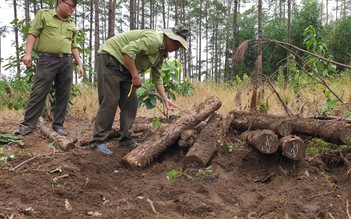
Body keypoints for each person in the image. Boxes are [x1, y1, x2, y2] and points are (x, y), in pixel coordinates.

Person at [91, 25, 190, 155]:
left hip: (126, 67)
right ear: (171, 39)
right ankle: (98, 142)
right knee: (110, 100)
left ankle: (126, 138)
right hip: (111, 59)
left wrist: (165, 99)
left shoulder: (162, 53)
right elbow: (127, 52)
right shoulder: (154, 40)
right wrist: (135, 76)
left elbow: (157, 78)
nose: (177, 50)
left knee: (130, 102)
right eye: (177, 46)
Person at [15, 0, 84, 136]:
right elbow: (33, 33)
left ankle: (58, 125)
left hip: (66, 61)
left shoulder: (71, 23)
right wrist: (28, 53)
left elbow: (73, 45)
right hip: (47, 59)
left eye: (74, 7)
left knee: (63, 94)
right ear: (60, 2)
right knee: (39, 92)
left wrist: (79, 64)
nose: (72, 9)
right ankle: (28, 125)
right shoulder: (44, 15)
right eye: (70, 6)